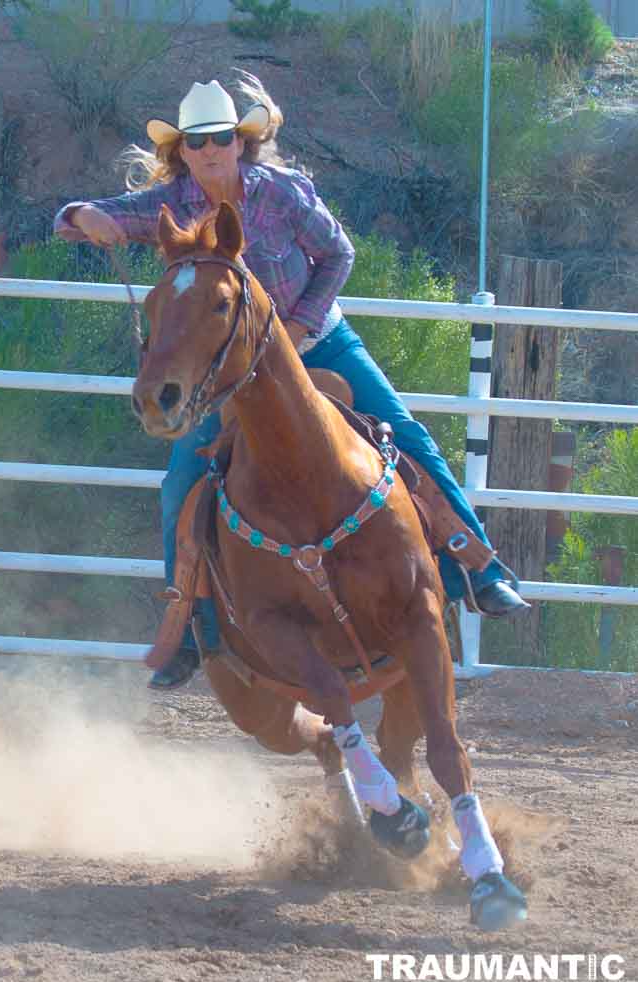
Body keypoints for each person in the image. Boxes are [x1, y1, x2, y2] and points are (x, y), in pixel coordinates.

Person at [54, 74, 529, 690]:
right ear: (181, 152)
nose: (209, 150)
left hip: (318, 340)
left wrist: (299, 326)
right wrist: (83, 214)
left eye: (220, 137)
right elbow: (81, 219)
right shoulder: (169, 202)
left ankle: (478, 567)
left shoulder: (281, 193)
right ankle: (191, 628)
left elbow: (338, 254)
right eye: (196, 142)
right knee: (181, 483)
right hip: (227, 369)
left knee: (407, 435)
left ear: (240, 142)